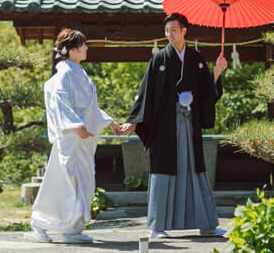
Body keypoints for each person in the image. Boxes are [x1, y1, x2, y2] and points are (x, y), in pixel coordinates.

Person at [121, 13, 228, 239]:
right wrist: (133, 120)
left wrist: (217, 73)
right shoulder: (159, 59)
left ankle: (207, 224)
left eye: (174, 30)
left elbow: (206, 92)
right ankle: (157, 226)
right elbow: (145, 92)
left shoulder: (196, 58)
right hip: (164, 128)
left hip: (189, 125)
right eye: (167, 31)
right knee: (163, 173)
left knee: (194, 170)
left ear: (184, 31)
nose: (170, 35)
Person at [30, 28, 123, 244]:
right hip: (71, 139)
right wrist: (74, 125)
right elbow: (60, 102)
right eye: (83, 45)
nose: (87, 48)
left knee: (82, 182)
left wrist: (110, 122)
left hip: (81, 138)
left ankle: (72, 229)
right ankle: (40, 223)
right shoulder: (63, 75)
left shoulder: (79, 73)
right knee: (65, 184)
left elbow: (90, 108)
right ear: (71, 50)